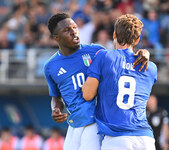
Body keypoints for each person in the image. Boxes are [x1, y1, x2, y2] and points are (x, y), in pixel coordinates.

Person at [44, 12, 150, 150]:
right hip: (73, 124)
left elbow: (123, 56)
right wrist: (56, 109)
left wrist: (144, 52)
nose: (74, 32)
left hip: (95, 122)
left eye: (75, 27)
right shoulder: (50, 66)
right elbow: (56, 97)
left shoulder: (96, 51)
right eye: (67, 30)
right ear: (57, 38)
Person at [82, 14, 157, 150]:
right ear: (137, 40)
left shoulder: (105, 56)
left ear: (114, 34)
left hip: (117, 138)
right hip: (145, 138)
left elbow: (88, 95)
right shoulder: (151, 68)